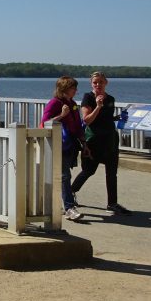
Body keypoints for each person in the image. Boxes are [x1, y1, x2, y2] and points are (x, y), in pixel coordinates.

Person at [71, 71, 132, 215]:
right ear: (91, 84)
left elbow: (106, 118)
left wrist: (118, 118)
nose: (98, 85)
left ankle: (112, 203)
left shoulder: (110, 98)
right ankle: (70, 193)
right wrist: (98, 106)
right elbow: (87, 120)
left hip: (110, 140)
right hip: (94, 141)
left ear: (106, 83)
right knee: (88, 171)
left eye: (101, 82)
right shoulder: (88, 98)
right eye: (95, 82)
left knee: (112, 173)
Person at [41, 76, 87, 222]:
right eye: (73, 88)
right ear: (65, 88)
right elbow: (44, 123)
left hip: (69, 145)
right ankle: (69, 207)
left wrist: (84, 143)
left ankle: (64, 204)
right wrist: (62, 115)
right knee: (64, 176)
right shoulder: (55, 103)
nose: (76, 90)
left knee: (63, 176)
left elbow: (78, 126)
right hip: (57, 144)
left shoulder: (72, 103)